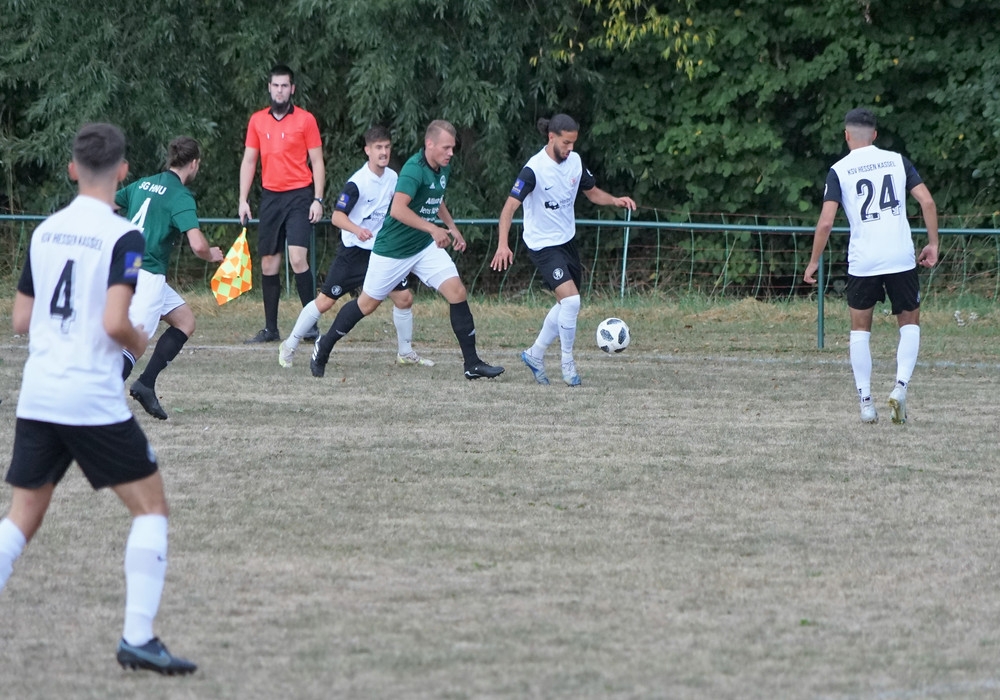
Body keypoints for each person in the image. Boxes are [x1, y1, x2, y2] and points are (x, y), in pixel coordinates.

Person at [0, 123, 196, 674]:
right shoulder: (123, 237)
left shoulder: (45, 231)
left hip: (40, 393)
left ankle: (139, 639)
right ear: (123, 171)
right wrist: (138, 339)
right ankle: (138, 637)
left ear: (71, 170)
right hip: (89, 395)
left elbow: (20, 319)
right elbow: (115, 322)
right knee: (151, 510)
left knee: (20, 521)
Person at [310, 120, 503, 381]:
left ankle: (472, 364)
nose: (451, 153)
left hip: (422, 246)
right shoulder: (414, 169)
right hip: (393, 250)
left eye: (453, 148)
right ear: (429, 144)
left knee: (457, 292)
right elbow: (398, 210)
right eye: (446, 148)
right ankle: (324, 345)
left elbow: (436, 197)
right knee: (366, 304)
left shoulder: (442, 167)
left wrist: (451, 227)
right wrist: (433, 229)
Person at [805, 107, 939, 424]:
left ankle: (866, 402)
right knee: (909, 323)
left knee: (860, 330)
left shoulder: (839, 170)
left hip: (864, 260)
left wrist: (813, 261)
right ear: (875, 135)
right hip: (899, 256)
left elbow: (826, 223)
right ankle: (900, 387)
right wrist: (933, 244)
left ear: (846, 135)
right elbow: (927, 202)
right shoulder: (897, 161)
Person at [490, 114, 636, 386]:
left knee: (565, 304)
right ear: (551, 137)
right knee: (571, 302)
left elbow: (592, 192)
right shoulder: (533, 170)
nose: (570, 148)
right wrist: (502, 244)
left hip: (567, 241)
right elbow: (508, 208)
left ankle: (534, 354)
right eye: (566, 143)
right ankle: (567, 363)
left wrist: (614, 200)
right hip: (542, 245)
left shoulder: (575, 162)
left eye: (573, 143)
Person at [279, 126, 434, 369]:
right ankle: (289, 345)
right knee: (325, 301)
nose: (383, 152)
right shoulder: (357, 183)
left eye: (387, 147)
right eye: (378, 147)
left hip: (382, 252)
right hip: (353, 254)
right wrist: (357, 229)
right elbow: (337, 217)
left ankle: (405, 352)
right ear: (367, 151)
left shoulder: (394, 178)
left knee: (404, 298)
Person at [116, 136, 224, 420]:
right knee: (134, 343)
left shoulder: (143, 184)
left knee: (185, 322)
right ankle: (100, 402)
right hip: (147, 274)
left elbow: (109, 203)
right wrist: (211, 254)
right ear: (194, 163)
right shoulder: (180, 196)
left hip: (127, 265)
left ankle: (146, 384)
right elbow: (198, 245)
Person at [238, 64, 325, 344]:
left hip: (300, 195)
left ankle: (310, 325)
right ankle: (271, 329)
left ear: (292, 89)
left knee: (298, 259)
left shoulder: (306, 120)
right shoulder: (257, 121)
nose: (279, 90)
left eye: (284, 86)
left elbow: (317, 162)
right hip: (270, 197)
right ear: (269, 88)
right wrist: (243, 199)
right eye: (275, 85)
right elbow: (249, 161)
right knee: (268, 264)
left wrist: (318, 199)